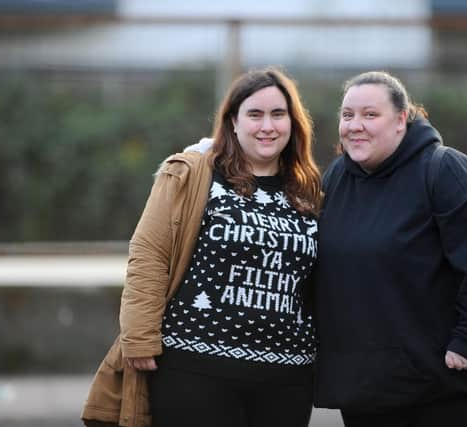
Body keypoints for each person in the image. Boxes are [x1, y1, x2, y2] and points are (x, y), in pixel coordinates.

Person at [82, 67, 322, 427]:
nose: (267, 126)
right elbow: (149, 253)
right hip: (195, 371)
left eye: (278, 114)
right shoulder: (192, 174)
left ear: (294, 123)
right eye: (254, 114)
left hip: (287, 377)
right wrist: (139, 337)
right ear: (233, 123)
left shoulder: (310, 191)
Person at [313, 71, 467, 427]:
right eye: (347, 115)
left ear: (401, 120)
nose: (355, 125)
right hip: (368, 385)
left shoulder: (446, 171)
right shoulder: (337, 179)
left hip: (441, 381)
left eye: (370, 115)